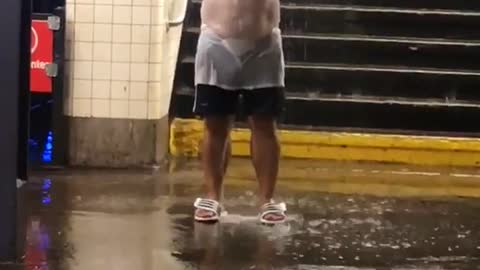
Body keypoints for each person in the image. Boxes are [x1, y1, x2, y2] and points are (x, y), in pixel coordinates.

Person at [192, 0, 287, 224]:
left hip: (264, 44)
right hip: (216, 42)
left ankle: (267, 199)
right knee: (215, 125)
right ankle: (212, 196)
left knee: (264, 125)